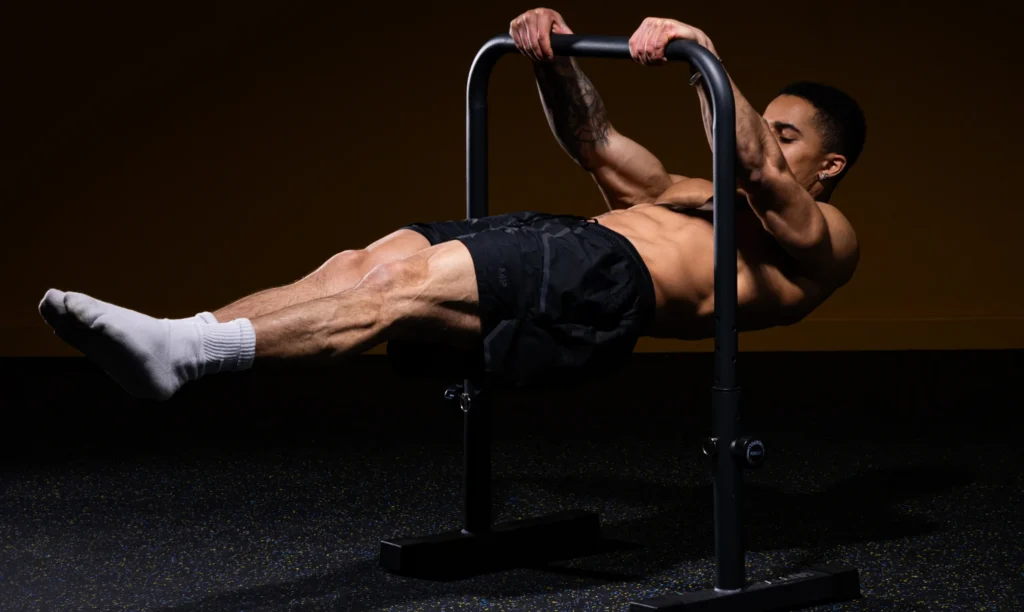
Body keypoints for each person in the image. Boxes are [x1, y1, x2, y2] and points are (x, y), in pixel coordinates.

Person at [38, 9, 865, 400]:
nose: (764, 132)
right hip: (572, 246)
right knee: (367, 265)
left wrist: (700, 62)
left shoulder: (824, 234)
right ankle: (185, 336)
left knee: (393, 290)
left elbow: (757, 170)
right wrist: (549, 58)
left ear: (828, 164)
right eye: (764, 120)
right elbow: (599, 149)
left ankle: (187, 353)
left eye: (784, 130)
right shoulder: (697, 190)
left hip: (609, 286)